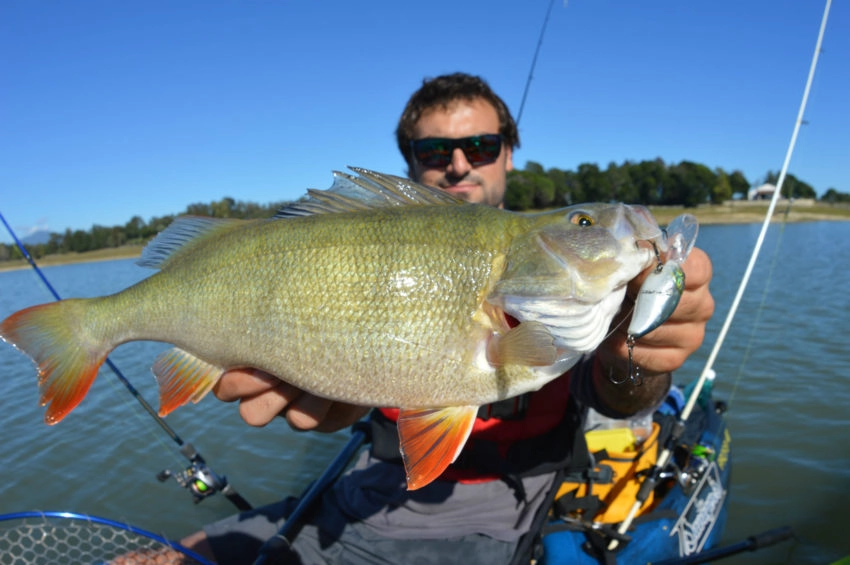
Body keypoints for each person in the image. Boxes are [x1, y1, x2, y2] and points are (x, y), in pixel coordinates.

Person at [177, 72, 715, 564]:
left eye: (481, 146)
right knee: (179, 554)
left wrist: (638, 357)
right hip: (374, 493)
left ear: (509, 155)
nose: (459, 164)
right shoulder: (371, 242)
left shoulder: (570, 282)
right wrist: (325, 391)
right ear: (409, 162)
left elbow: (623, 396)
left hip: (509, 510)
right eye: (434, 150)